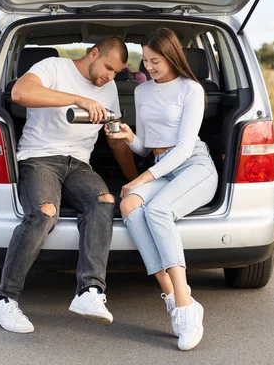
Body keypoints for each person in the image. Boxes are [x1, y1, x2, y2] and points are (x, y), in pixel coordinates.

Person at [0, 36, 137, 334]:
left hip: (79, 164)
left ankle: (89, 292)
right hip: (39, 158)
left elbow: (114, 139)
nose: (109, 77)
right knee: (44, 212)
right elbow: (20, 92)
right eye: (107, 68)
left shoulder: (107, 88)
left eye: (115, 73)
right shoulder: (54, 68)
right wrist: (76, 99)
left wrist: (134, 179)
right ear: (93, 53)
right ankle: (4, 299)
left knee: (104, 201)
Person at [105, 28, 218, 351]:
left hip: (193, 165)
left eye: (155, 61)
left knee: (156, 210)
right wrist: (129, 136)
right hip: (161, 167)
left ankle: (184, 307)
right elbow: (146, 149)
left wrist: (141, 179)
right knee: (129, 206)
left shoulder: (191, 89)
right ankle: (172, 292)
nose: (149, 67)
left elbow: (182, 149)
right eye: (146, 60)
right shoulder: (142, 92)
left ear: (171, 57)